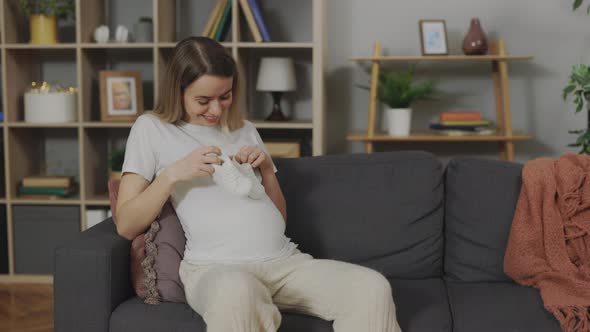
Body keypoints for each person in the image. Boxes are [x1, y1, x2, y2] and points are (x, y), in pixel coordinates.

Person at [115, 36, 402, 332]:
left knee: (371, 288)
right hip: (216, 270)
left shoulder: (245, 130)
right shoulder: (151, 129)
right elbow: (126, 224)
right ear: (177, 92)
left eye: (224, 96)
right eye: (203, 100)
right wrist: (171, 175)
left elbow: (279, 219)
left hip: (285, 264)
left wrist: (266, 169)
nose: (216, 110)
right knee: (238, 292)